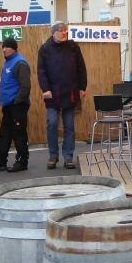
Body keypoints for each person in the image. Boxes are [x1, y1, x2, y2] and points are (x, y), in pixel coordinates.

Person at [37, 22, 87, 169]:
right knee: (52, 123)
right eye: (61, 31)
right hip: (52, 93)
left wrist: (82, 87)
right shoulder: (45, 49)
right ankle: (53, 156)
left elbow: (81, 68)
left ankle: (68, 157)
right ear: (53, 33)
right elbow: (41, 71)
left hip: (70, 92)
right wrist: (45, 89)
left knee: (69, 126)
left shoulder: (73, 47)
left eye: (66, 30)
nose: (65, 33)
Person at [0, 38, 31, 173]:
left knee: (19, 133)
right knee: (4, 133)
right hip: (8, 105)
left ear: (14, 48)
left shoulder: (20, 63)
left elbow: (25, 86)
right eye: (3, 47)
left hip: (17, 105)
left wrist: (17, 101)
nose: (4, 49)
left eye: (7, 47)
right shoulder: (8, 62)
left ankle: (22, 161)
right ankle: (0, 161)